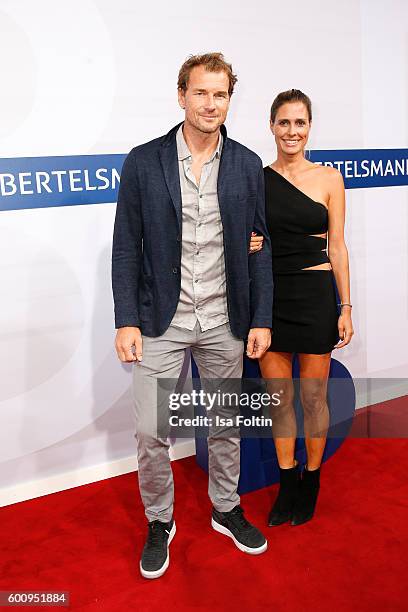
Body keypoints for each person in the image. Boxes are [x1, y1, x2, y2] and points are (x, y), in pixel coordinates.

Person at [111, 53, 273, 579]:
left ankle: (226, 508)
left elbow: (260, 247)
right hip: (163, 319)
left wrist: (261, 319)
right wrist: (126, 319)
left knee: (225, 424)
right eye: (201, 93)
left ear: (230, 99)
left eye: (220, 94)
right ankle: (160, 520)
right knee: (151, 431)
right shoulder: (144, 161)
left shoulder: (248, 164)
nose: (211, 104)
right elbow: (125, 248)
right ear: (181, 95)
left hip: (226, 319)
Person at [251, 89, 353, 527]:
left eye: (300, 123)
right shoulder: (257, 178)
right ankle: (287, 481)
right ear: (271, 126)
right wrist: (247, 242)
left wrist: (345, 305)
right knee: (280, 400)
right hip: (271, 296)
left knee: (312, 399)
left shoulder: (329, 178)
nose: (292, 131)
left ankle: (311, 479)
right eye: (284, 123)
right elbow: (247, 235)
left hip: (314, 295)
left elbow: (338, 245)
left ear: (309, 127)